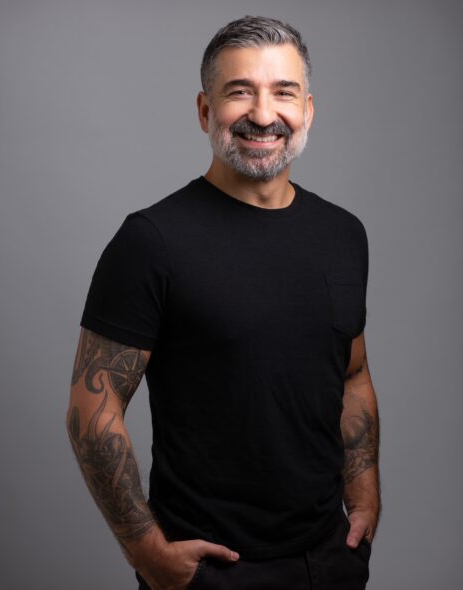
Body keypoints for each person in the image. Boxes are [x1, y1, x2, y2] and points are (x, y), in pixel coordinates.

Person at [67, 14, 381, 590]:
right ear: (205, 111)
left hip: (331, 560)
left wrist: (364, 493)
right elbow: (93, 403)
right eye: (240, 92)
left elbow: (353, 374)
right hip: (213, 572)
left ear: (308, 109)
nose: (264, 115)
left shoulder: (344, 235)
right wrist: (145, 550)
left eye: (283, 93)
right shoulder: (152, 241)